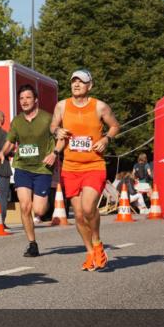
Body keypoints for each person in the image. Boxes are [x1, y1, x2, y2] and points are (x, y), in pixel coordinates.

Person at [51, 69, 120, 272]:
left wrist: (106, 139)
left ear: (90, 85)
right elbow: (53, 125)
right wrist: (57, 130)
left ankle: (97, 243)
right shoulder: (62, 106)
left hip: (93, 165)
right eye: (74, 81)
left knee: (89, 207)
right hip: (70, 166)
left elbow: (115, 126)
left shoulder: (99, 107)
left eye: (81, 81)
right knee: (79, 215)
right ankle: (90, 252)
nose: (76, 84)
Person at [0, 84, 56, 258]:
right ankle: (32, 243)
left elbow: (60, 138)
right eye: (22, 98)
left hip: (42, 168)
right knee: (25, 206)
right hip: (22, 167)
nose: (25, 101)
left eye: (28, 97)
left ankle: (44, 203)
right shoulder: (17, 121)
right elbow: (10, 142)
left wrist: (54, 154)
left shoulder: (47, 119)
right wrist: (1, 153)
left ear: (35, 100)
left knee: (39, 210)